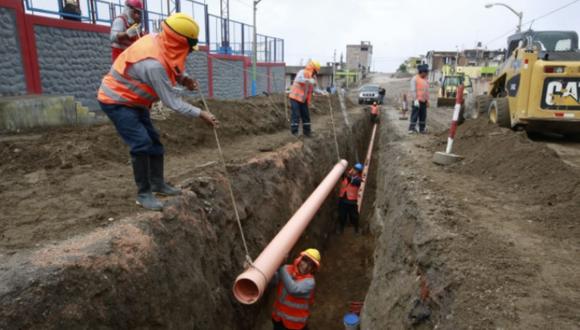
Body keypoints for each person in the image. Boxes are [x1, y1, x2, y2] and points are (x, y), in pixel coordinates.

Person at [97, 13, 218, 211]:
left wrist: (184, 79)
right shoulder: (152, 64)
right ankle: (144, 194)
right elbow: (172, 102)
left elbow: (173, 64)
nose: (188, 53)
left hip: (136, 102)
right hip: (117, 101)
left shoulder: (160, 41)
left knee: (154, 141)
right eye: (188, 49)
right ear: (179, 43)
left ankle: (157, 184)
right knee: (141, 142)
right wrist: (201, 113)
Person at [272, 249, 321, 330]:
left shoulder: (310, 282)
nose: (305, 267)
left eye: (311, 265)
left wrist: (281, 267)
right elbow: (274, 281)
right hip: (278, 319)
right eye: (305, 261)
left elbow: (293, 289)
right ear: (300, 259)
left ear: (313, 269)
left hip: (295, 326)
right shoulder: (287, 269)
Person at [288, 60, 327, 137]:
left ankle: (307, 132)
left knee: (306, 115)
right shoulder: (302, 72)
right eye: (315, 71)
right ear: (312, 69)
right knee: (296, 114)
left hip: (303, 99)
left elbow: (315, 89)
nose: (315, 73)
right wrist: (308, 80)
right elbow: (298, 79)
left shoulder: (313, 77)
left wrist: (322, 92)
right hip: (295, 97)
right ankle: (294, 132)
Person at [337, 163, 363, 233]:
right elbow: (344, 176)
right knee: (342, 215)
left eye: (356, 170)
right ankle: (341, 229)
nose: (354, 171)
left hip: (352, 201)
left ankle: (356, 229)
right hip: (342, 199)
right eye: (354, 169)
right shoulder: (347, 176)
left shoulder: (358, 180)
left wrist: (346, 174)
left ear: (359, 172)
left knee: (354, 216)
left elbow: (350, 179)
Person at [409, 64, 430, 134]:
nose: (427, 74)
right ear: (422, 72)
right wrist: (415, 99)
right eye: (426, 73)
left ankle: (422, 129)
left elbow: (427, 91)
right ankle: (411, 129)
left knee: (423, 115)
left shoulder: (426, 79)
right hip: (417, 101)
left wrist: (427, 100)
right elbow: (413, 90)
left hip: (423, 101)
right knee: (415, 115)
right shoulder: (415, 79)